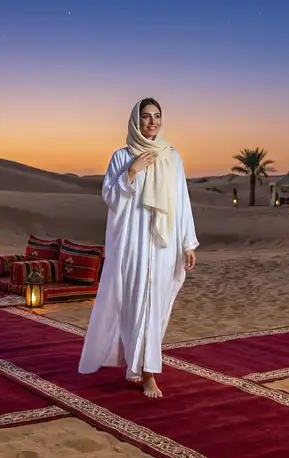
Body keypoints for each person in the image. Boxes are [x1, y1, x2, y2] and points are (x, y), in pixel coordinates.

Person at [78, 97, 199, 398]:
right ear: (135, 121)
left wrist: (187, 242)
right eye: (146, 117)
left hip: (162, 244)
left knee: (154, 305)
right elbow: (110, 196)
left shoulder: (172, 157)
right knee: (133, 303)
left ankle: (148, 373)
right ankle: (135, 365)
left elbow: (181, 203)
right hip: (132, 244)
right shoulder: (121, 157)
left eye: (157, 116)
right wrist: (132, 170)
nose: (152, 122)